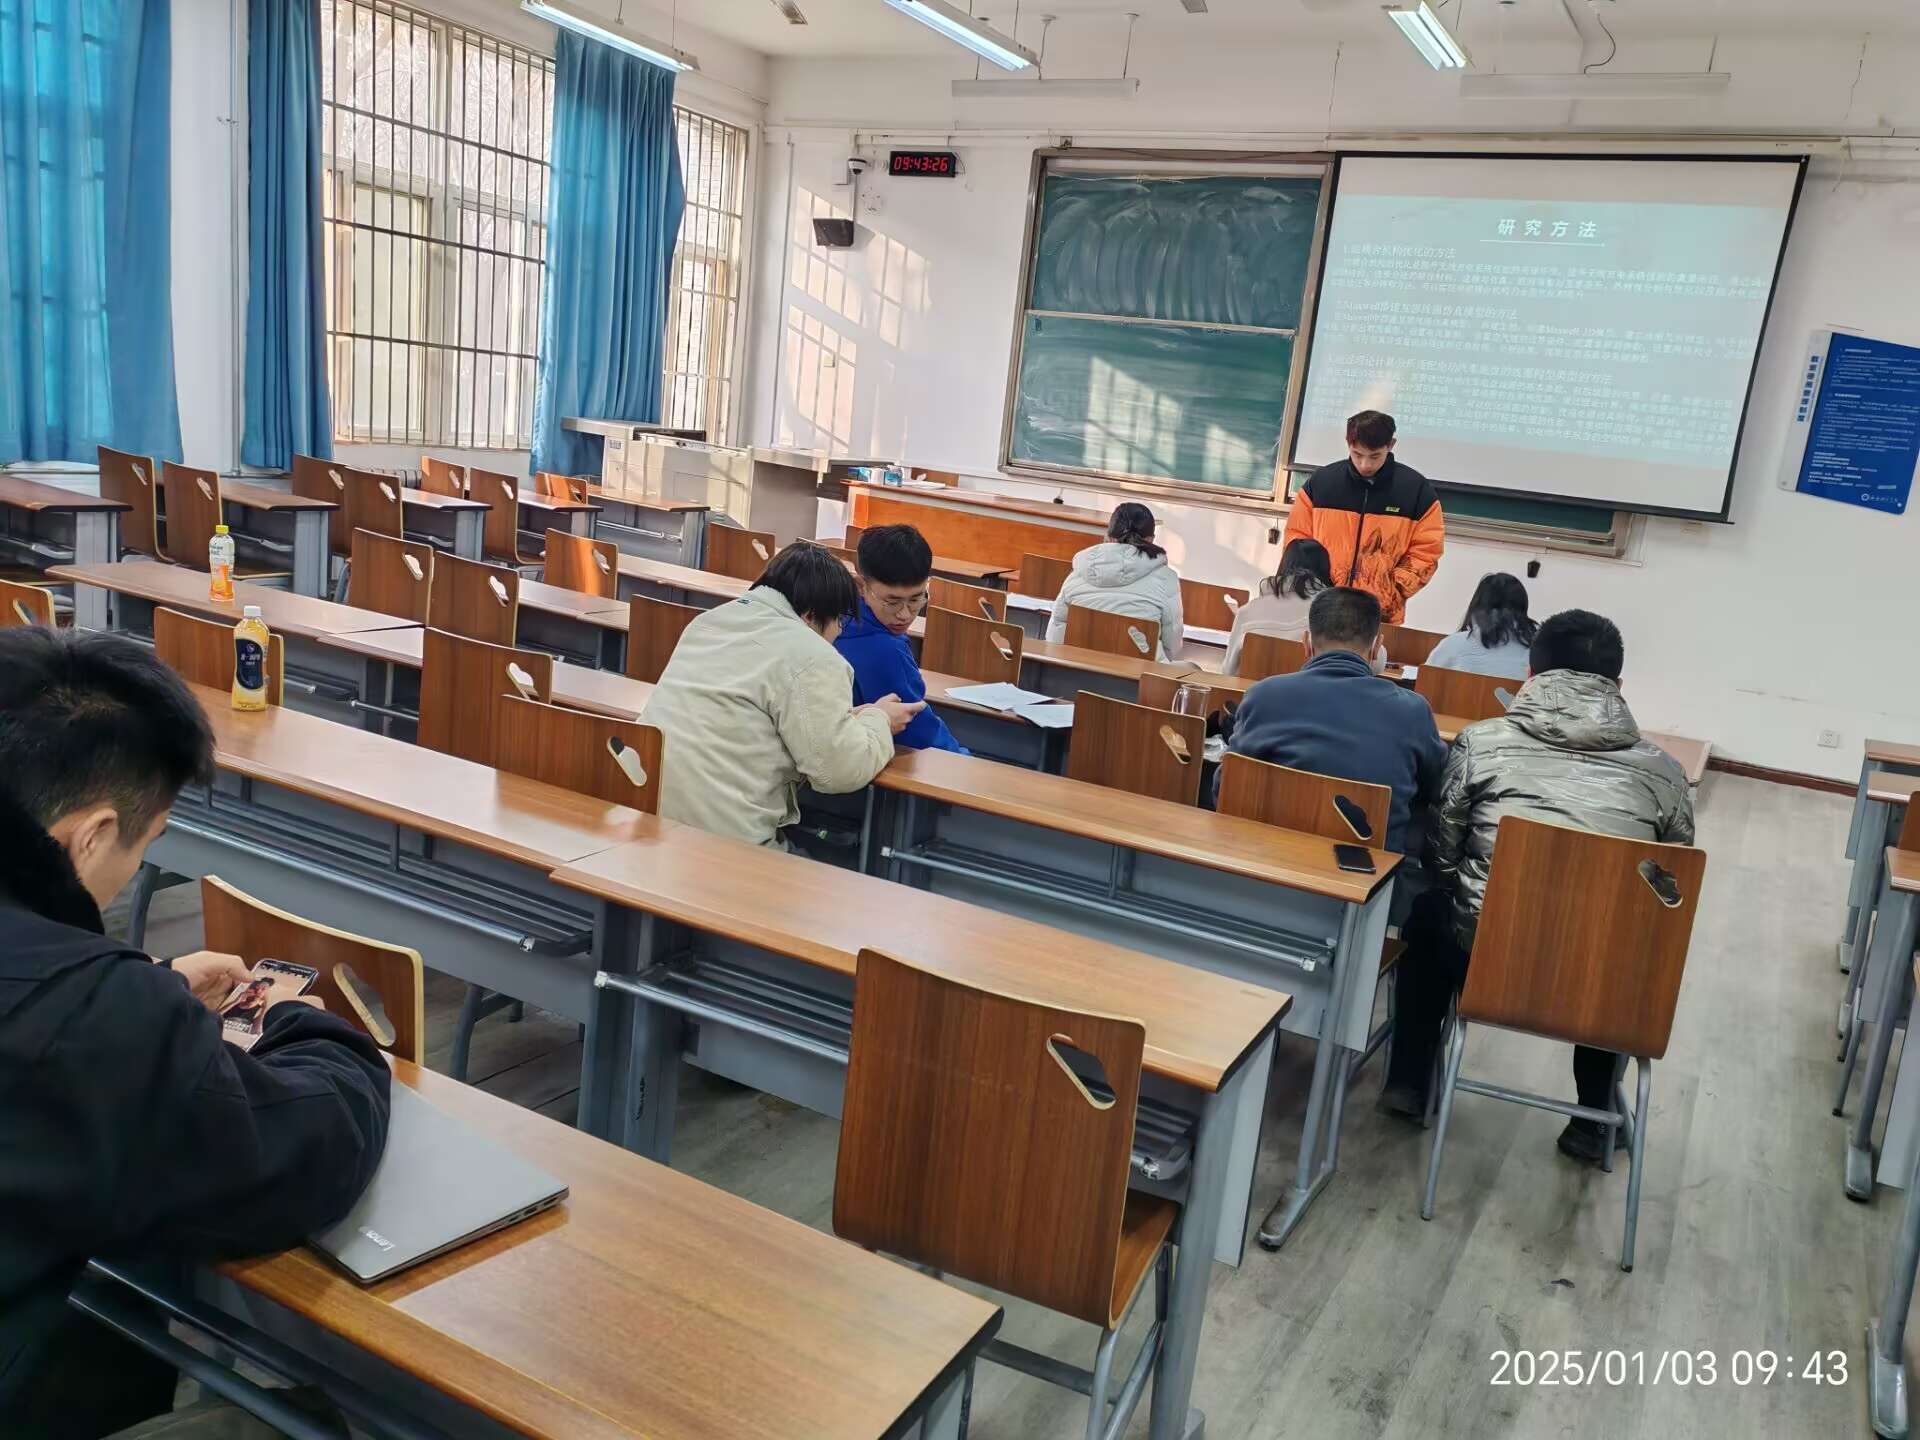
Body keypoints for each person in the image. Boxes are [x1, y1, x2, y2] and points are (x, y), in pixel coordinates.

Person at [0, 627, 392, 1439]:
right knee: (301, 1424)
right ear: (93, 834)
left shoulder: (86, 1008)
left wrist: (139, 988)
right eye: (148, 841)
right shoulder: (95, 1022)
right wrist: (300, 1024)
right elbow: (302, 1153)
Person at [1381, 610, 1695, 1163]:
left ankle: (1409, 1081)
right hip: (1596, 983)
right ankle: (1592, 1118)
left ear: (1530, 674)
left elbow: (1442, 855)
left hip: (1485, 960)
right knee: (1622, 944)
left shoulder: (1480, 743)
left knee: (1430, 912)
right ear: (1618, 685)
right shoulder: (1666, 773)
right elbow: (1670, 889)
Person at [645, 541, 923, 847]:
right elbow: (839, 772)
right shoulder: (812, 654)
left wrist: (848, 720)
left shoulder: (707, 622)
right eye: (838, 620)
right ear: (810, 616)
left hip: (649, 822)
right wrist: (880, 719)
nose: (839, 631)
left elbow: (751, 717)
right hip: (725, 845)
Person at [1219, 587, 1447, 856]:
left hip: (1266, 856)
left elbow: (1225, 787)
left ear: (1306, 642)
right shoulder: (1413, 711)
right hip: (1371, 869)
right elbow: (1435, 788)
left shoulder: (1263, 695)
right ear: (1377, 647)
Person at [1283, 409, 1444, 623]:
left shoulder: (1416, 490)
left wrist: (1391, 589)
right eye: (1357, 454)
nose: (1365, 465)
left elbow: (1427, 551)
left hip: (1379, 614)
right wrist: (1312, 586)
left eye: (1375, 456)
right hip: (1318, 606)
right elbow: (1297, 541)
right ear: (1347, 443)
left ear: (1391, 445)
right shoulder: (1322, 483)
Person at [833, 525, 966, 754]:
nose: (904, 614)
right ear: (861, 586)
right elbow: (921, 735)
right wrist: (965, 760)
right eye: (892, 602)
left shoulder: (834, 616)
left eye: (916, 599)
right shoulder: (886, 650)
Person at [1045, 502, 1184, 660]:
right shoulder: (1167, 578)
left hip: (1076, 668)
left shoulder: (1078, 573)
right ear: (1151, 539)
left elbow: (1054, 635)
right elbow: (1172, 645)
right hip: (1139, 673)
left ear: (1109, 536)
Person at [1222, 538, 1330, 676]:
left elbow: (1228, 671)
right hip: (1301, 689)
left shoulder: (1247, 611)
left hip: (1251, 689)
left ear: (1283, 564)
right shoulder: (1328, 617)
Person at [1425, 572, 1537, 679]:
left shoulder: (1453, 644)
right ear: (1522, 609)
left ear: (1477, 604)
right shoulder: (1535, 654)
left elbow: (1426, 683)